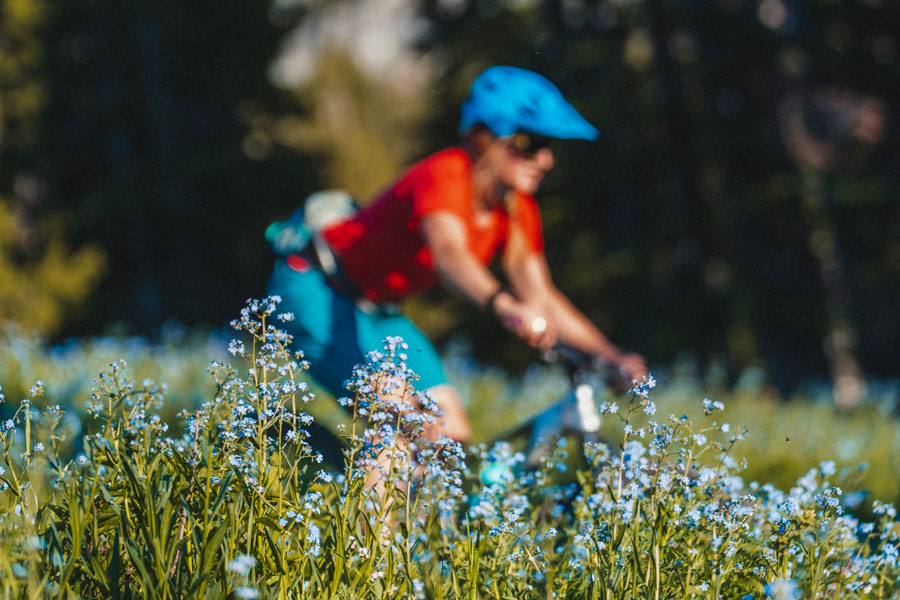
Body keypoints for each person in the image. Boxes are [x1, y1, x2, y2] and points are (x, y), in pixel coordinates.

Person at [267, 65, 647, 445]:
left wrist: (612, 357)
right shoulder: (447, 175)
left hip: (378, 310)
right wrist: (504, 305)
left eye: (549, 147)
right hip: (316, 286)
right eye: (531, 143)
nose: (545, 160)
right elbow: (449, 254)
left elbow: (543, 298)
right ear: (486, 138)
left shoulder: (516, 210)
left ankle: (404, 500)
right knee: (407, 424)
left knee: (450, 433)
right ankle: (350, 498)